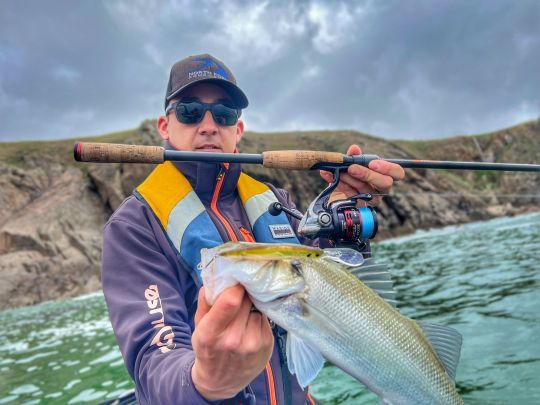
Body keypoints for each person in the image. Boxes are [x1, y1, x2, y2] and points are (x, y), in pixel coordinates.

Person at [102, 53, 405, 405]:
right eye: (190, 111)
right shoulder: (133, 226)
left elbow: (319, 272)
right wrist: (203, 382)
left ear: (238, 129)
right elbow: (151, 361)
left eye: (225, 114)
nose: (209, 125)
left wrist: (340, 216)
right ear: (165, 126)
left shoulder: (273, 198)